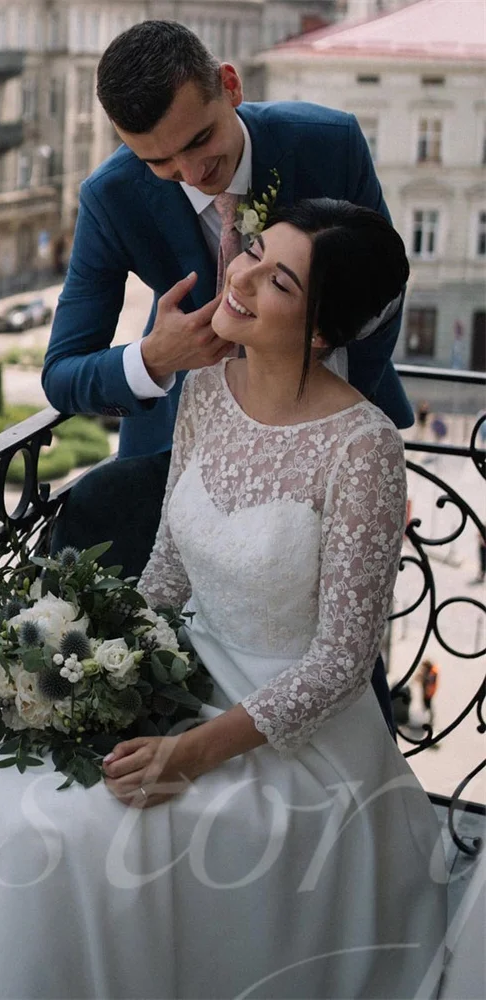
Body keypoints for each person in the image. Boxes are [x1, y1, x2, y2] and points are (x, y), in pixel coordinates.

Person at [0, 201, 446, 1000]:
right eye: (254, 252)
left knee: (74, 829)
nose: (245, 278)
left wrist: (188, 755)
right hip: (184, 675)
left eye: (281, 282)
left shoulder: (364, 447)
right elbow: (166, 572)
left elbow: (343, 662)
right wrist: (95, 671)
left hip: (288, 738)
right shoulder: (205, 385)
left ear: (324, 332)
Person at [43, 20, 407, 733]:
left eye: (200, 141)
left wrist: (332, 425)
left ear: (230, 87)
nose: (189, 173)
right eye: (159, 162)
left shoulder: (328, 141)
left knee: (346, 652)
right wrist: (156, 359)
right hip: (183, 459)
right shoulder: (112, 196)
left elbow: (382, 291)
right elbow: (63, 373)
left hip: (330, 454)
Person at [419, 658, 439, 728]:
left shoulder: (432, 672)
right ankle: (427, 717)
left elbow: (429, 680)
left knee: (428, 704)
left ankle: (430, 718)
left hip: (429, 691)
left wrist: (423, 677)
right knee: (426, 704)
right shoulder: (429, 671)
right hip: (427, 690)